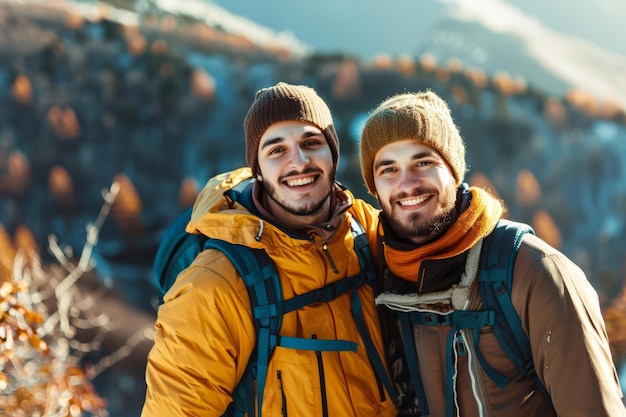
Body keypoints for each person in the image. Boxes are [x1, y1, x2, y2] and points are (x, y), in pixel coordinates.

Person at [358, 90, 626, 417]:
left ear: (453, 171)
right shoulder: (380, 282)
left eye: (423, 162)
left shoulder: (533, 272)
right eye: (388, 169)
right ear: (374, 187)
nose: (407, 184)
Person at [141, 82, 398, 417]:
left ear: (333, 153)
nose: (299, 161)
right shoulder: (217, 285)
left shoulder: (365, 230)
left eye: (312, 142)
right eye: (277, 150)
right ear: (257, 169)